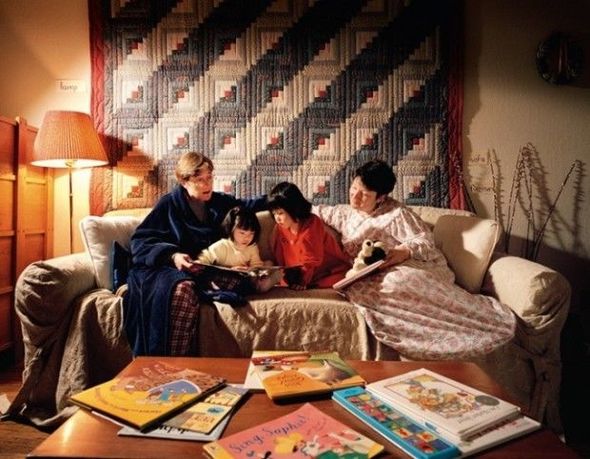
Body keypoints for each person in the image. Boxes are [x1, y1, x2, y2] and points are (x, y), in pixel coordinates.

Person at [312, 160, 516, 360]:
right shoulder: (344, 214)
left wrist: (403, 251)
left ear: (381, 197)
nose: (355, 197)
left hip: (414, 266)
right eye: (354, 188)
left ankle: (468, 324)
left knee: (395, 282)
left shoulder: (397, 214)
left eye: (364, 194)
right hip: (370, 272)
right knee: (372, 287)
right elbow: (310, 210)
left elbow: (425, 241)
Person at [124, 152, 268, 356]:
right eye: (200, 179)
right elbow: (141, 241)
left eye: (210, 177)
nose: (207, 184)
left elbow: (249, 206)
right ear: (184, 181)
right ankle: (173, 363)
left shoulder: (219, 203)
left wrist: (280, 197)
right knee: (182, 290)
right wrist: (173, 256)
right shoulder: (169, 204)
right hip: (167, 269)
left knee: (246, 280)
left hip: (202, 268)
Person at [267, 182, 351, 290]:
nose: (277, 218)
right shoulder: (280, 228)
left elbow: (311, 260)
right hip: (299, 276)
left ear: (293, 208)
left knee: (339, 280)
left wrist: (302, 281)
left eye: (280, 213)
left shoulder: (312, 224)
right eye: (274, 213)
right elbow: (281, 256)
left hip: (329, 272)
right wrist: (285, 279)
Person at [197, 206, 279, 293]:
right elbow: (205, 257)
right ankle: (258, 286)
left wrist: (249, 270)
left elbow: (256, 265)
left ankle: (267, 282)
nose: (247, 238)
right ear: (232, 229)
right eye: (242, 233)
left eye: (251, 234)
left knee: (268, 264)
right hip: (227, 278)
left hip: (246, 277)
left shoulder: (252, 247)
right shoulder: (222, 246)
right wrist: (199, 263)